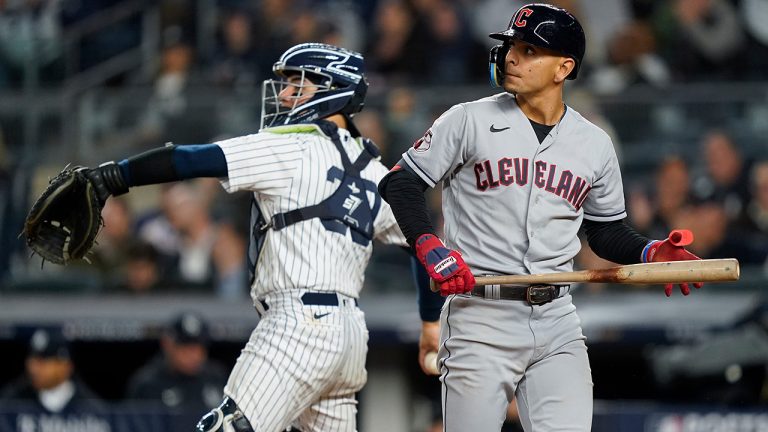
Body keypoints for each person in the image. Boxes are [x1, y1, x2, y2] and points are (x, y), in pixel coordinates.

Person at [378, 4, 705, 431]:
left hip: (556, 318)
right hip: (480, 315)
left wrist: (647, 250)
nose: (513, 57)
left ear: (563, 68)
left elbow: (604, 232)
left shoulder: (593, 143)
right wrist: (428, 245)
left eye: (530, 50)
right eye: (512, 46)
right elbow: (401, 182)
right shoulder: (467, 119)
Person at [69, 42, 408, 432]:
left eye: (298, 84)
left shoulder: (292, 145)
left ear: (333, 89)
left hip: (299, 323)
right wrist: (432, 321)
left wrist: (115, 176)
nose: (284, 94)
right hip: (349, 336)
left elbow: (191, 158)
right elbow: (424, 244)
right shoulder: (376, 172)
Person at [126, 311, 227, 431]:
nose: (193, 355)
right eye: (185, 346)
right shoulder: (148, 384)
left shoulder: (216, 377)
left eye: (198, 347)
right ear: (167, 344)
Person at [0, 328, 105, 414]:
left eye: (42, 361)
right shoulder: (12, 400)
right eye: (32, 360)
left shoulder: (90, 408)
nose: (33, 368)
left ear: (65, 366)